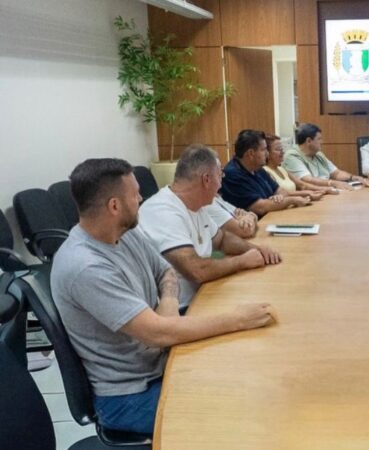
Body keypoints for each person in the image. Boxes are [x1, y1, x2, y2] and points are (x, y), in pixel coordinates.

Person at [51, 158, 277, 435]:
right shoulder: (86, 267)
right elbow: (157, 334)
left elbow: (166, 273)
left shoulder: (125, 232)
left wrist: (167, 311)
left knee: (246, 371)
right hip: (129, 396)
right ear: (114, 206)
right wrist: (239, 319)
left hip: (160, 360)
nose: (141, 198)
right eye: (135, 194)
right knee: (239, 410)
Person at [139, 145, 282, 308]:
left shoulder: (196, 204)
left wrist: (256, 250)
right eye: (220, 175)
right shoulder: (163, 211)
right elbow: (196, 270)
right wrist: (242, 261)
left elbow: (222, 240)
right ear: (206, 179)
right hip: (183, 308)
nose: (221, 184)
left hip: (206, 293)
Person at [220, 130, 318, 216]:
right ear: (251, 153)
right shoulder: (232, 174)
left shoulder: (257, 168)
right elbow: (260, 207)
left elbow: (280, 190)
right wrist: (292, 200)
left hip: (273, 217)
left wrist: (280, 197)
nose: (267, 153)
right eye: (263, 150)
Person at [283, 123, 369, 190]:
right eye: (319, 139)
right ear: (309, 141)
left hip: (326, 192)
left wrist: (353, 177)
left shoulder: (318, 154)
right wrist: (333, 183)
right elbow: (307, 180)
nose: (322, 142)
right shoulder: (292, 156)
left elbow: (336, 173)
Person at [263, 133, 337, 196]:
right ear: (267, 153)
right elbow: (281, 194)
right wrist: (308, 193)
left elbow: (302, 185)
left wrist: (326, 189)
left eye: (282, 149)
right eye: (278, 149)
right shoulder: (265, 172)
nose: (282, 152)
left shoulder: (282, 169)